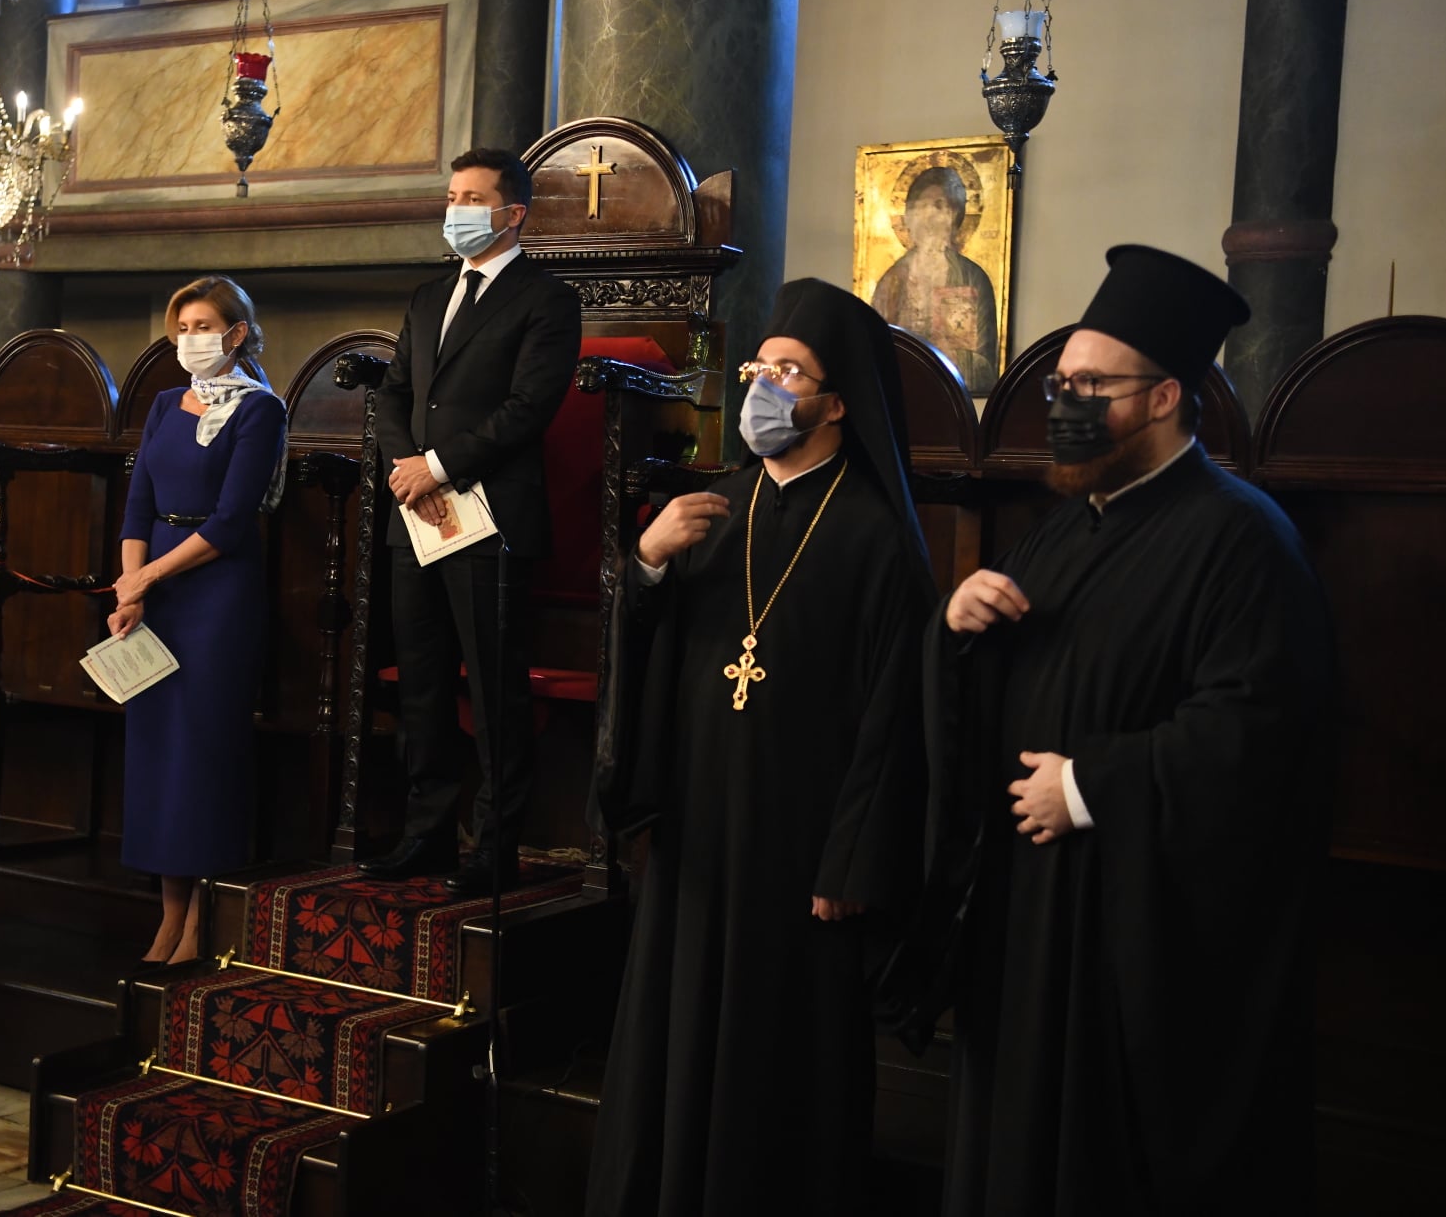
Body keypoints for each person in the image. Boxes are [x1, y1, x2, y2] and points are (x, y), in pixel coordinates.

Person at [920, 246, 1333, 1216]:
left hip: (1131, 930)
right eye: (1058, 386)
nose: (1064, 406)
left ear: (1162, 398)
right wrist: (958, 629)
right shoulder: (1066, 524)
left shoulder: (1242, 536)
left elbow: (1259, 732)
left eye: (1090, 388)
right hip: (1028, 913)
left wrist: (1087, 784)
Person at [586, 279, 935, 1215]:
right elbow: (649, 654)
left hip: (802, 845)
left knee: (780, 1054)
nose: (765, 387)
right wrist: (646, 561)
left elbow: (896, 714)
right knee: (678, 1031)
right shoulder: (709, 508)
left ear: (837, 403)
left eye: (790, 373)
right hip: (699, 830)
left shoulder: (876, 536)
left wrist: (852, 857)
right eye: (759, 368)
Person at [357, 147, 583, 899]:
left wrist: (439, 466)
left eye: (472, 198)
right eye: (452, 196)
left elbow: (528, 408)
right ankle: (426, 835)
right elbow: (395, 394)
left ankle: (495, 846)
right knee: (421, 682)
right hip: (415, 517)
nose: (456, 210)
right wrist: (406, 468)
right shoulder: (429, 295)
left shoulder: (546, 300)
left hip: (491, 517)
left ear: (512, 213)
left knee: (492, 687)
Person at [110, 275, 288, 966]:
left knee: (200, 752)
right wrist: (131, 588)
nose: (190, 340)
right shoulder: (163, 403)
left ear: (236, 334)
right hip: (153, 585)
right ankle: (168, 916)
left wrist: (148, 577)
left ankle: (202, 921)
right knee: (157, 753)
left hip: (215, 590)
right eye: (182, 328)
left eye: (204, 327)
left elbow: (232, 521)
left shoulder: (259, 408)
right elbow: (137, 505)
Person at [871, 165, 1000, 392]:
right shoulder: (891, 280)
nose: (929, 215)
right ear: (909, 217)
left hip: (949, 392)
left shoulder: (973, 278)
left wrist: (952, 355)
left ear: (955, 215)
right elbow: (872, 351)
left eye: (939, 205)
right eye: (920, 206)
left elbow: (986, 367)